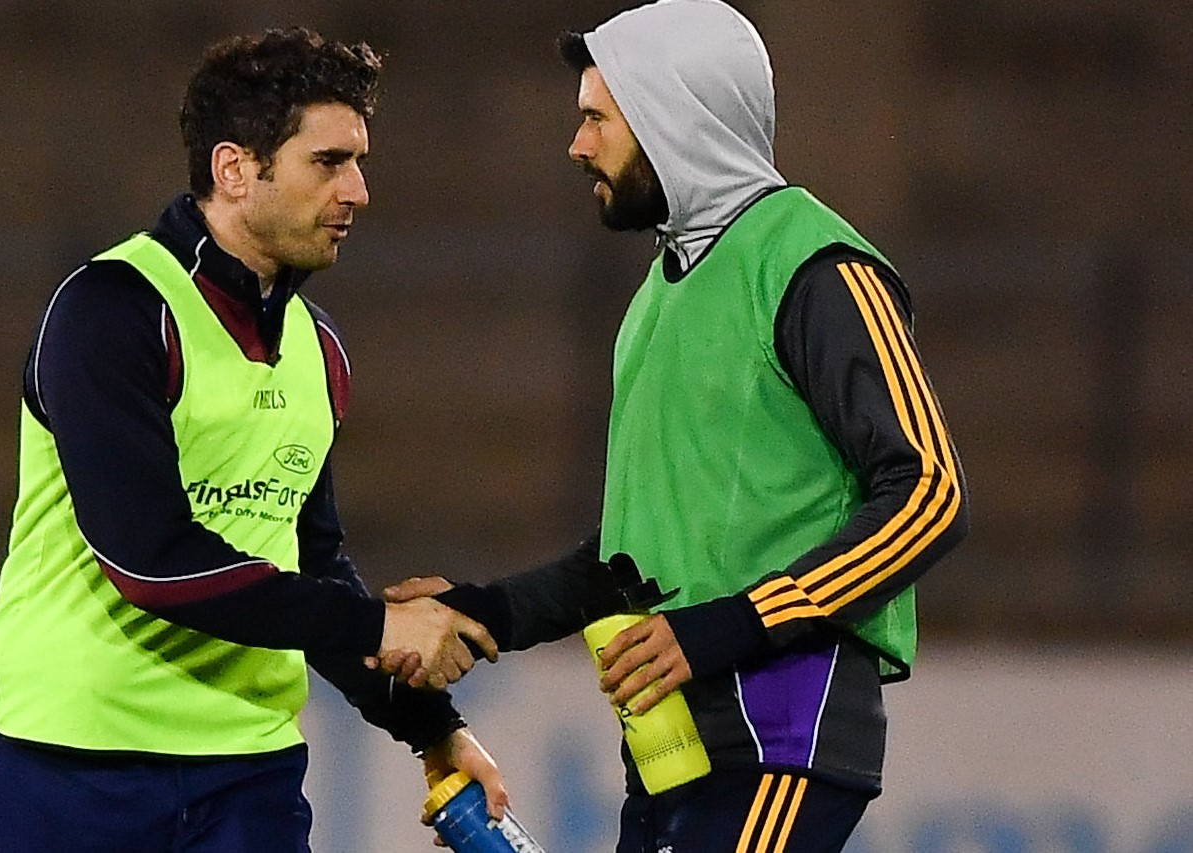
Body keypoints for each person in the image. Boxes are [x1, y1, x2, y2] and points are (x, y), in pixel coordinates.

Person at [381, 1, 970, 850]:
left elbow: (930, 493)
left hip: (781, 739)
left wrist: (727, 626)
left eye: (596, 118)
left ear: (673, 119)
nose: (576, 145)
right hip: (673, 752)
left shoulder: (815, 266)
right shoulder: (658, 298)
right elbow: (630, 560)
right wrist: (480, 614)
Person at [0, 28, 507, 853]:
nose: (358, 190)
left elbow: (313, 562)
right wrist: (374, 627)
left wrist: (432, 728)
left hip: (248, 770)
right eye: (328, 162)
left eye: (359, 161)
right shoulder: (112, 310)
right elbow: (148, 558)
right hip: (77, 762)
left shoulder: (317, 347)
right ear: (235, 169)